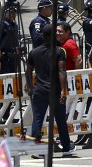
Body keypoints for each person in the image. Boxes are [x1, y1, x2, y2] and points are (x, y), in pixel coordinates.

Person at [26, 24, 75, 155]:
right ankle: (66, 146)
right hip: (55, 91)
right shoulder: (59, 51)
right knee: (60, 120)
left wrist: (30, 87)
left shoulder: (34, 52)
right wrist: (63, 90)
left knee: (38, 120)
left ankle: (36, 148)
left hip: (39, 90)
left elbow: (28, 71)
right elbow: (62, 70)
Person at [0, 5, 20, 74]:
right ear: (6, 13)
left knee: (14, 77)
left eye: (14, 12)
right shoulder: (1, 24)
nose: (13, 14)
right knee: (5, 77)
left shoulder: (15, 25)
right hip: (4, 57)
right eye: (11, 12)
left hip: (14, 57)